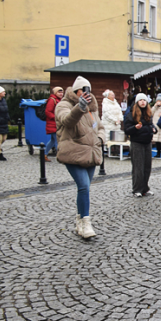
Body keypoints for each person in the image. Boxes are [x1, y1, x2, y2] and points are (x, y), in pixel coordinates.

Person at [55, 76, 106, 238]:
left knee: (85, 189)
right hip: (73, 152)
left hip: (91, 153)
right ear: (76, 91)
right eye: (82, 90)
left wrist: (100, 139)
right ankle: (86, 222)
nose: (85, 94)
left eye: (87, 90)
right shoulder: (63, 105)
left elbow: (101, 126)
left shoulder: (93, 109)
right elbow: (67, 121)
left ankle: (79, 220)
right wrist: (79, 107)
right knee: (83, 186)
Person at [124, 93, 157, 197]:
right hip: (137, 143)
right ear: (137, 102)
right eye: (140, 100)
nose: (143, 101)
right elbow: (127, 130)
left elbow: (151, 125)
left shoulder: (148, 113)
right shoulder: (131, 114)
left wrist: (154, 129)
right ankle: (137, 189)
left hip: (147, 142)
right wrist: (135, 128)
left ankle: (145, 188)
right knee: (138, 167)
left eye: (144, 100)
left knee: (147, 167)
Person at [44, 86, 64, 161]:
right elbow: (47, 112)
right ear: (55, 92)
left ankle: (44, 154)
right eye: (59, 92)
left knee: (53, 140)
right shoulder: (52, 100)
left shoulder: (58, 100)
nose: (61, 93)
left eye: (62, 92)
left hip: (55, 123)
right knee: (56, 140)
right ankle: (60, 157)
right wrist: (56, 117)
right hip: (53, 124)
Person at [0, 85, 8, 161]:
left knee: (4, 138)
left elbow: (6, 110)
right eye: (3, 91)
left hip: (4, 122)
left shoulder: (3, 100)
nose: (4, 93)